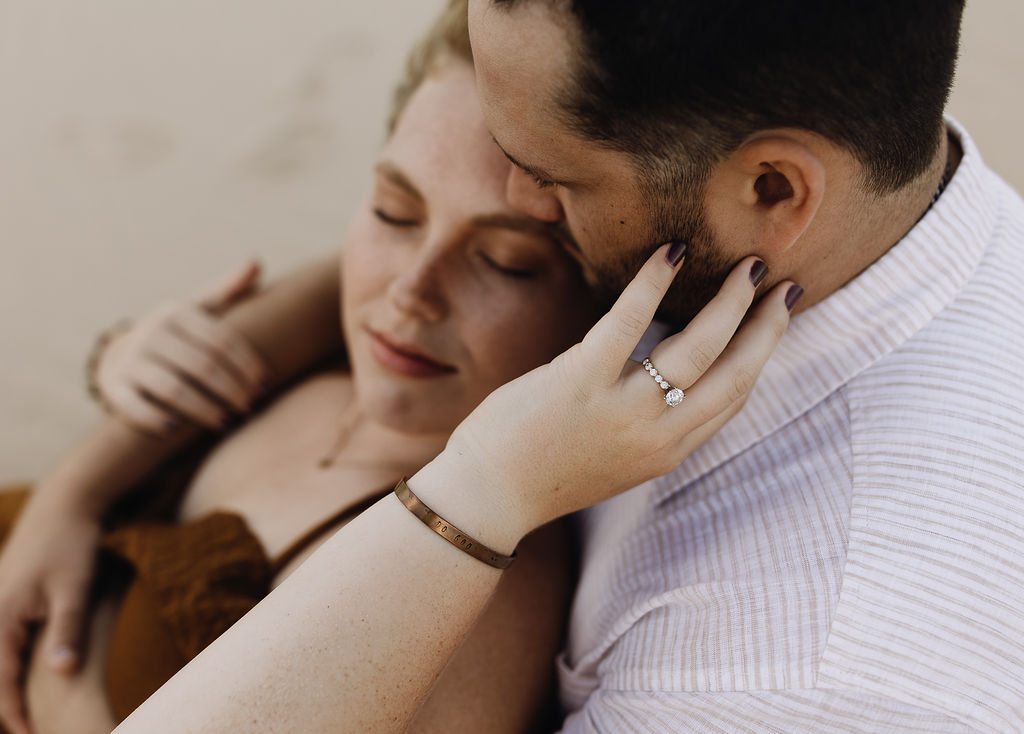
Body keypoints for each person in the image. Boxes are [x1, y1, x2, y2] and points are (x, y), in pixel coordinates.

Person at [96, 0, 1023, 732]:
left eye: (550, 178)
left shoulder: (800, 679)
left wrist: (480, 492)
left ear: (773, 190)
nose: (516, 197)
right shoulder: (833, 164)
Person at [0, 2, 794, 732]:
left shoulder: (471, 595)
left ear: (610, 311)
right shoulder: (332, 341)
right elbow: (309, 298)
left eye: (506, 263)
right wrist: (71, 491)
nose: (408, 292)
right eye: (392, 209)